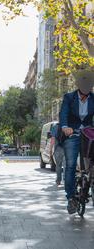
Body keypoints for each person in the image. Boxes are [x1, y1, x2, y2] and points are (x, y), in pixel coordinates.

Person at [59, 70, 94, 214]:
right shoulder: (69, 97)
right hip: (72, 134)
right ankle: (71, 197)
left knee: (91, 165)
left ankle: (89, 181)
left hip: (88, 134)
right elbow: (64, 113)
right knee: (71, 165)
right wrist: (65, 127)